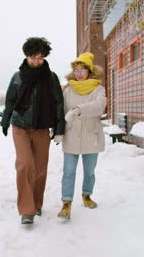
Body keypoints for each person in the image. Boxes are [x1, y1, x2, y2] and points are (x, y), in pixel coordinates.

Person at [1, 37, 65, 225]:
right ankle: (26, 211)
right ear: (26, 56)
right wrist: (5, 121)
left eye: (40, 58)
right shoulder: (17, 76)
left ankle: (37, 204)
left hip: (42, 126)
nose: (36, 61)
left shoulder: (51, 77)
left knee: (39, 168)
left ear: (44, 56)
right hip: (20, 126)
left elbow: (58, 103)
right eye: (33, 57)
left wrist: (59, 127)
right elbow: (10, 101)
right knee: (24, 165)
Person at [57, 52, 107, 220]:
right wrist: (57, 131)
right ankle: (66, 203)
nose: (79, 74)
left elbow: (99, 106)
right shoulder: (68, 91)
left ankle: (87, 195)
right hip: (71, 135)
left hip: (90, 135)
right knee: (68, 171)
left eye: (82, 70)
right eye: (76, 70)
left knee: (89, 171)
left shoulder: (98, 89)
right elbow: (61, 112)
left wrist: (78, 110)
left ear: (89, 72)